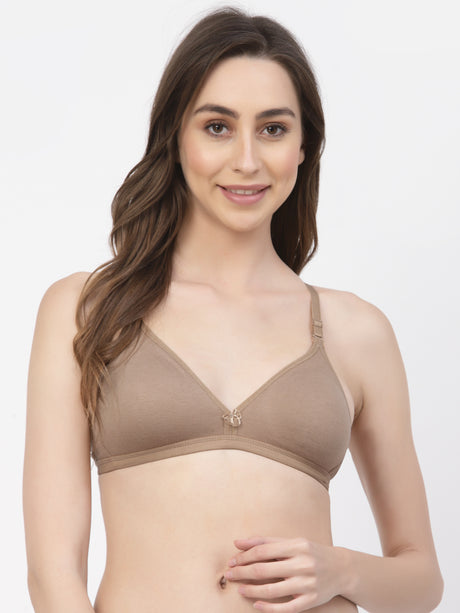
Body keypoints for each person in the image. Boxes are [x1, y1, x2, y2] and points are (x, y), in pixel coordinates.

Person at [23, 6, 443, 613]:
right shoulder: (87, 310)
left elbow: (422, 580)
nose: (247, 160)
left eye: (273, 129)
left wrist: (343, 569)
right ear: (176, 138)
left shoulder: (357, 331)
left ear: (304, 146)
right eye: (217, 127)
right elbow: (52, 575)